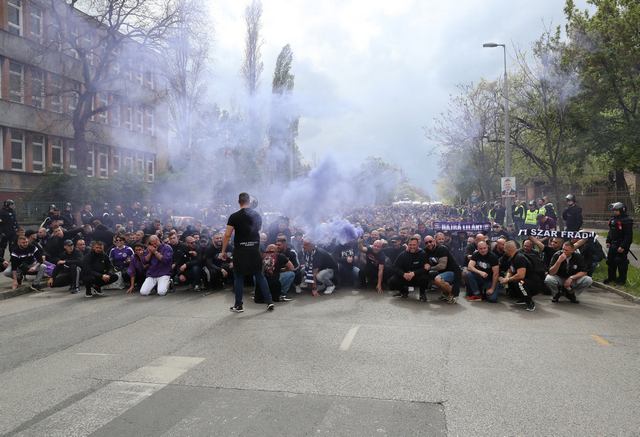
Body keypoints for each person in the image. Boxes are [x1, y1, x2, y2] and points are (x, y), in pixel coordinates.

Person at [221, 193, 274, 313]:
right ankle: (269, 302)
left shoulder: (234, 216)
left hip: (240, 251)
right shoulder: (257, 215)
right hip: (254, 250)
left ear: (239, 202)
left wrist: (223, 251)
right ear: (249, 201)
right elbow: (258, 230)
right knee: (260, 276)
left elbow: (227, 235)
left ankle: (238, 305)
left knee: (239, 277)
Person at [499, 241, 541, 311]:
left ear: (508, 249)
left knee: (520, 283)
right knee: (513, 281)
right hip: (526, 280)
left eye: (505, 248)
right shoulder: (512, 258)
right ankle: (523, 298)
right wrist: (506, 278)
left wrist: (508, 279)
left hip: (534, 283)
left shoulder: (519, 258)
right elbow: (510, 270)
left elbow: (521, 275)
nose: (504, 250)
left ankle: (530, 303)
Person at [605, 202, 634, 285]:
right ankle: (611, 278)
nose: (614, 212)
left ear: (622, 210)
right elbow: (611, 231)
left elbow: (628, 236)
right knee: (610, 262)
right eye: (614, 210)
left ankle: (621, 280)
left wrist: (623, 246)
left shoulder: (627, 221)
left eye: (616, 210)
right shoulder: (613, 219)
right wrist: (608, 241)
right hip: (613, 244)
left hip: (621, 245)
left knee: (621, 262)